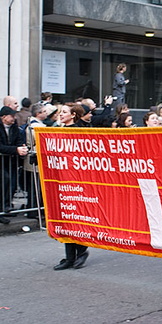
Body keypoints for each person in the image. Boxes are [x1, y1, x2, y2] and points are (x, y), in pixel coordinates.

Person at [54, 103, 90, 270]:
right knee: (66, 219)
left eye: (64, 112)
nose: (60, 114)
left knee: (75, 219)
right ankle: (69, 257)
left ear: (73, 115)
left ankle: (81, 251)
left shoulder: (79, 131)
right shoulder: (57, 131)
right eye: (60, 112)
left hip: (76, 181)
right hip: (62, 180)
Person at [0, 106, 28, 222]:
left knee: (11, 183)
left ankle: (6, 207)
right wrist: (15, 150)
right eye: (12, 116)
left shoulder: (14, 127)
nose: (14, 118)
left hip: (11, 161)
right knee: (4, 181)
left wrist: (22, 147)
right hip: (2, 161)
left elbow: (19, 140)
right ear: (3, 117)